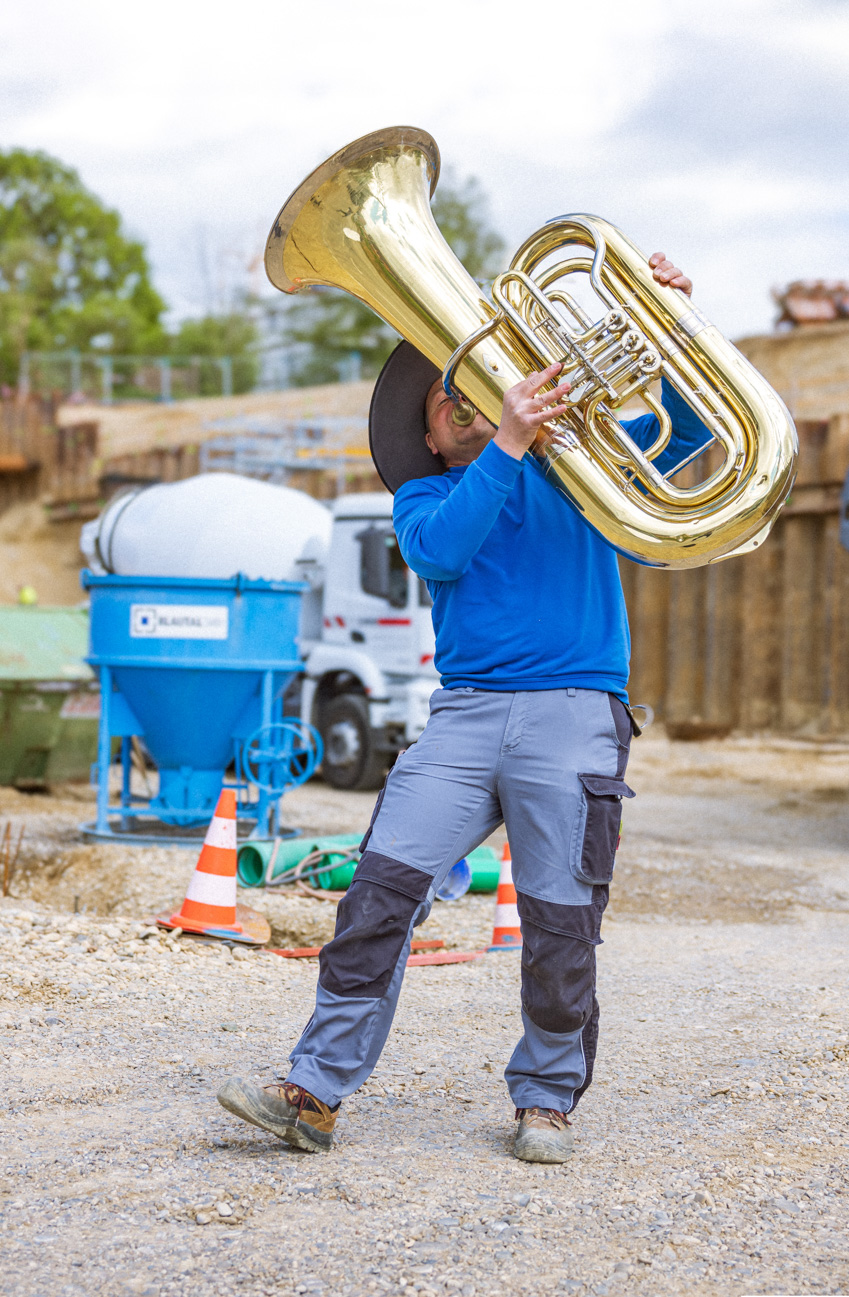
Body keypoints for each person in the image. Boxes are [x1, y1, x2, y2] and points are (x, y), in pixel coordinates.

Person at [220, 254, 709, 1163]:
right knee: (377, 896)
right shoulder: (426, 493)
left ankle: (547, 1100)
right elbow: (442, 553)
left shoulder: (579, 472)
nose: (462, 398)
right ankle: (314, 1093)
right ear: (432, 438)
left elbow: (680, 436)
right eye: (446, 400)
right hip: (467, 715)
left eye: (475, 383)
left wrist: (674, 327)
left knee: (562, 920)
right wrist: (514, 441)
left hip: (573, 709)